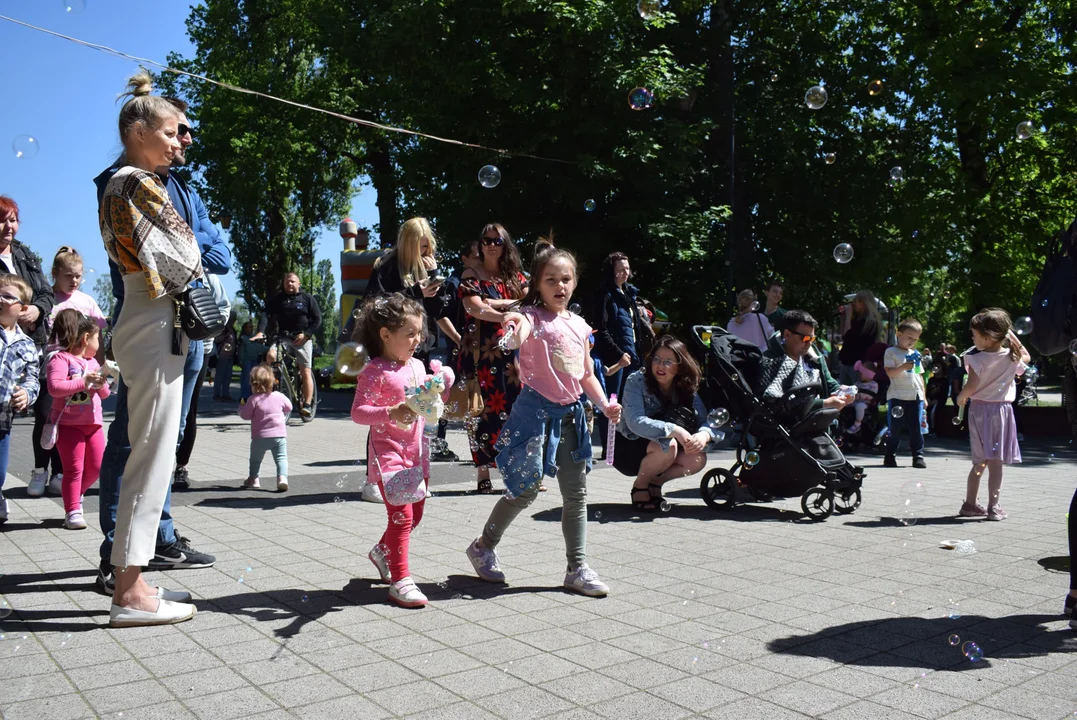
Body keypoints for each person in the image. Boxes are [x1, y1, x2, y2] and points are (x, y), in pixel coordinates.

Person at [94, 91, 218, 599]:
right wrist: (193, 244)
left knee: (152, 450)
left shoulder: (127, 181)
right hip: (154, 315)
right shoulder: (136, 182)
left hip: (148, 313)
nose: (178, 142)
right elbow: (186, 256)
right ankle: (130, 588)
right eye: (170, 132)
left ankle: (133, 579)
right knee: (151, 453)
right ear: (137, 132)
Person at [465, 242, 620, 597]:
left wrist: (604, 404)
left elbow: (585, 374)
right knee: (524, 491)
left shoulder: (580, 325)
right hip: (534, 416)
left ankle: (576, 567)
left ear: (575, 282)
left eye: (566, 279)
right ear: (537, 282)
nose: (559, 285)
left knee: (576, 495)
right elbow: (516, 328)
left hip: (571, 416)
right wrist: (511, 332)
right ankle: (483, 546)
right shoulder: (530, 316)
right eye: (551, 279)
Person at [350, 293, 455, 608]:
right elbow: (358, 412)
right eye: (410, 333)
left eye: (419, 333)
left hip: (415, 453)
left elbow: (428, 403)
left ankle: (383, 551)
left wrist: (441, 385)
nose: (417, 339)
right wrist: (389, 411)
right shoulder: (375, 371)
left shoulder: (417, 364)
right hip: (389, 456)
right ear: (386, 335)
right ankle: (400, 580)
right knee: (402, 515)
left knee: (415, 513)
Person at [365, 218, 454, 463]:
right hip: (390, 349)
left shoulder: (426, 267)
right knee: (389, 408)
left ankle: (413, 464)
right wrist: (416, 291)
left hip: (419, 347)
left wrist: (435, 276)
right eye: (422, 247)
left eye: (429, 247)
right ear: (409, 245)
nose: (427, 253)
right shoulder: (386, 267)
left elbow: (437, 310)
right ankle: (375, 475)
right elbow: (378, 306)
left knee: (420, 406)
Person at [27, 247, 107, 498]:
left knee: (70, 420)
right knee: (45, 416)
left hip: (80, 370)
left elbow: (98, 336)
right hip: (49, 366)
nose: (74, 281)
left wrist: (102, 366)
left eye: (78, 276)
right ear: (55, 274)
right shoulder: (46, 300)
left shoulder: (87, 302)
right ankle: (40, 469)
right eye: (68, 275)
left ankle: (60, 475)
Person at [458, 223, 527, 493]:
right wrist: (505, 310)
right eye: (486, 239)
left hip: (513, 355)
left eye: (497, 240)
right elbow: (473, 307)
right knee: (481, 411)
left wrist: (493, 303)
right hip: (480, 354)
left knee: (517, 411)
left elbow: (529, 303)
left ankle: (520, 470)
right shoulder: (471, 273)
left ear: (505, 243)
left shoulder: (515, 276)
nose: (491, 244)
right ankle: (482, 471)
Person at [617, 335, 716, 512]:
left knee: (697, 457)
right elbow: (635, 421)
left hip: (665, 448)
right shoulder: (636, 381)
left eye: (668, 361)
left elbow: (706, 421)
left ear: (680, 365)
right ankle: (640, 485)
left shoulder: (686, 386)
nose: (660, 366)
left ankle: (655, 482)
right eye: (657, 359)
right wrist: (675, 430)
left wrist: (704, 435)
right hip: (629, 445)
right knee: (667, 445)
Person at [0, 196, 58, 496]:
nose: (9, 226)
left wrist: (37, 310)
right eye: (3, 219)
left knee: (47, 410)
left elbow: (46, 293)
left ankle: (49, 471)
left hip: (32, 345)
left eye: (13, 219)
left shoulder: (24, 253)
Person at [956, 309, 1030, 521]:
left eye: (974, 334)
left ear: (987, 337)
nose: (972, 337)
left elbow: (971, 385)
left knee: (980, 461)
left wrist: (962, 396)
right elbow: (1026, 356)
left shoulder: (976, 360)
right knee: (995, 461)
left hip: (978, 411)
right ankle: (993, 507)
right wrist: (1011, 336)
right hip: (1000, 412)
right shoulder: (1012, 358)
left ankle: (970, 504)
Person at [45, 309, 109, 529]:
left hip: (93, 424)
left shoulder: (92, 363)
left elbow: (105, 394)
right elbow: (55, 388)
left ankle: (76, 495)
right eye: (96, 338)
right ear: (85, 338)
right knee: (73, 469)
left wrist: (101, 384)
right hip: (68, 425)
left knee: (97, 466)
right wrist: (84, 382)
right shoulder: (60, 359)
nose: (98, 343)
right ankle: (72, 510)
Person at [0, 274, 40, 524]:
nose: (0, 299)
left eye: (6, 296)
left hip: (3, 419)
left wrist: (27, 393)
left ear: (22, 308)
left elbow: (32, 378)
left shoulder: (26, 345)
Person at [256, 272, 321, 417]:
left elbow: (317, 319)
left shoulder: (307, 298)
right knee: (271, 356)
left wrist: (306, 334)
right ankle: (273, 390)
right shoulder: (278, 299)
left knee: (305, 371)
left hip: (302, 339)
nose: (289, 284)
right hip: (283, 338)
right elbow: (266, 314)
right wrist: (260, 331)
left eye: (292, 282)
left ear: (298, 284)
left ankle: (308, 405)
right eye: (286, 282)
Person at [762, 310, 851, 411]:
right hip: (791, 425)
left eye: (812, 339)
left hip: (820, 423)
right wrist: (823, 404)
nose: (809, 343)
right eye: (805, 338)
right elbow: (777, 403)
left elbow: (829, 382)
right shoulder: (770, 361)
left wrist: (842, 392)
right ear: (787, 334)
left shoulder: (814, 354)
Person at [238, 364, 292, 491]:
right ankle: (282, 478)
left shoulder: (253, 399)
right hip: (279, 436)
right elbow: (289, 407)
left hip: (259, 437)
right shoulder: (279, 396)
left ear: (253, 384)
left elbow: (246, 415)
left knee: (255, 460)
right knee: (281, 458)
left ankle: (253, 479)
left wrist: (240, 409)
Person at [883, 318, 927, 469]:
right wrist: (903, 366)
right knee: (894, 428)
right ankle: (890, 455)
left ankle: (918, 455)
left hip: (915, 396)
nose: (912, 342)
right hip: (897, 396)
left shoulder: (915, 353)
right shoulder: (891, 352)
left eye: (915, 339)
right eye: (909, 337)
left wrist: (924, 396)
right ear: (898, 333)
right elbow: (890, 373)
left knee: (916, 428)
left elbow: (919, 375)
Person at [838, 289, 883, 385]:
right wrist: (844, 317)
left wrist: (849, 315)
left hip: (857, 365)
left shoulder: (869, 322)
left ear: (864, 302)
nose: (853, 303)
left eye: (856, 300)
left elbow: (848, 335)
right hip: (846, 362)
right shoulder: (857, 319)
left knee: (856, 395)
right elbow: (843, 335)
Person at [844, 360, 879, 436]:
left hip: (866, 403)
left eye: (861, 373)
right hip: (855, 400)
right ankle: (842, 423)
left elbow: (870, 395)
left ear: (867, 375)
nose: (859, 374)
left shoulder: (873, 385)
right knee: (843, 404)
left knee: (860, 406)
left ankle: (857, 424)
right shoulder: (858, 383)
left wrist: (859, 393)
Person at [212, 311, 237, 401]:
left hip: (230, 355)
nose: (233, 320)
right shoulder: (223, 328)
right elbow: (216, 339)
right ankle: (217, 394)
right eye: (232, 318)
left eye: (234, 319)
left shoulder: (233, 329)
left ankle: (226, 394)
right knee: (220, 375)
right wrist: (224, 336)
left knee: (228, 376)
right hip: (222, 355)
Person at [237, 321, 265, 402]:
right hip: (246, 361)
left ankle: (252, 395)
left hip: (255, 360)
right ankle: (244, 396)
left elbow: (259, 348)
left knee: (254, 378)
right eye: (249, 327)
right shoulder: (243, 338)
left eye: (251, 327)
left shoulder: (255, 338)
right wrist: (240, 361)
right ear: (244, 329)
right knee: (246, 379)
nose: (251, 329)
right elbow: (241, 351)